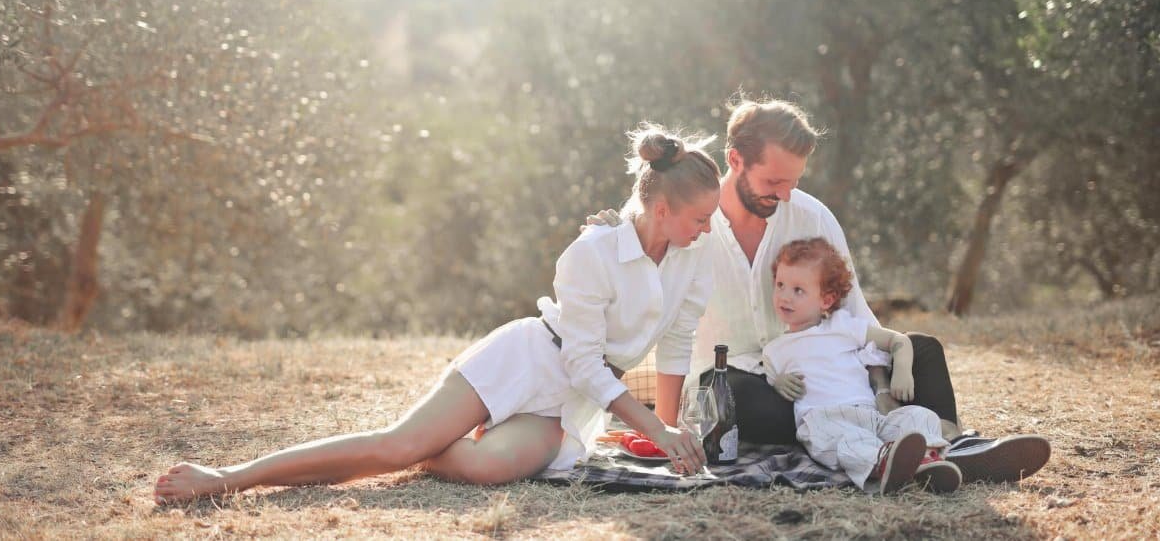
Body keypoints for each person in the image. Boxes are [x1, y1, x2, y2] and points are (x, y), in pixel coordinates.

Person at [154, 124, 721, 504]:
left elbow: (676, 343)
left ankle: (432, 447)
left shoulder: (691, 259)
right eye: (700, 217)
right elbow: (580, 359)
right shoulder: (592, 252)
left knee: (485, 467)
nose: (708, 229)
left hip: (568, 405)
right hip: (527, 360)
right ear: (663, 208)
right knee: (396, 447)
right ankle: (227, 478)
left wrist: (668, 439)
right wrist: (654, 426)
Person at [589, 98, 1050, 483]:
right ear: (735, 161)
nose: (786, 195)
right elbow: (639, 239)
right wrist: (608, 234)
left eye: (794, 182)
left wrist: (880, 383)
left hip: (829, 372)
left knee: (923, 349)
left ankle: (951, 446)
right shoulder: (691, 224)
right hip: (748, 388)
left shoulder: (811, 216)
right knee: (734, 391)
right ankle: (897, 449)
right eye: (774, 182)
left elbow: (855, 315)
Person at [763, 237, 961, 494]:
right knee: (849, 442)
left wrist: (902, 370)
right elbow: (767, 380)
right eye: (780, 285)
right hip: (824, 420)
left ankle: (933, 458)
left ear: (826, 299)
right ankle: (886, 465)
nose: (784, 297)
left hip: (871, 415)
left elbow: (896, 340)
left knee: (918, 416)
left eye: (798, 290)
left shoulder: (842, 325)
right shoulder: (774, 350)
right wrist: (778, 383)